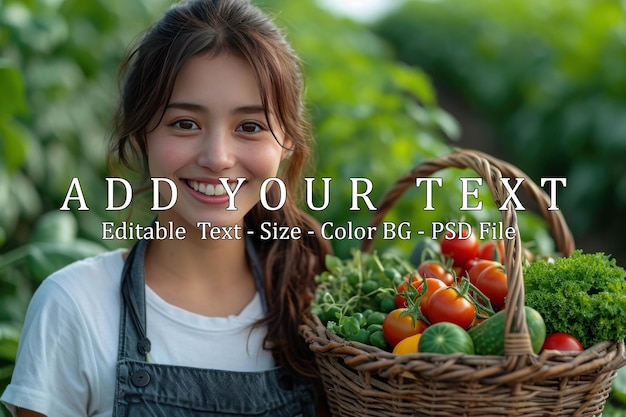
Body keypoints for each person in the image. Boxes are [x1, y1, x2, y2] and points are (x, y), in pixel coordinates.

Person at [1, 0, 332, 415]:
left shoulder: (315, 306)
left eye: (250, 127)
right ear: (141, 136)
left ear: (286, 143)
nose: (218, 157)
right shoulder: (74, 307)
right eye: (185, 123)